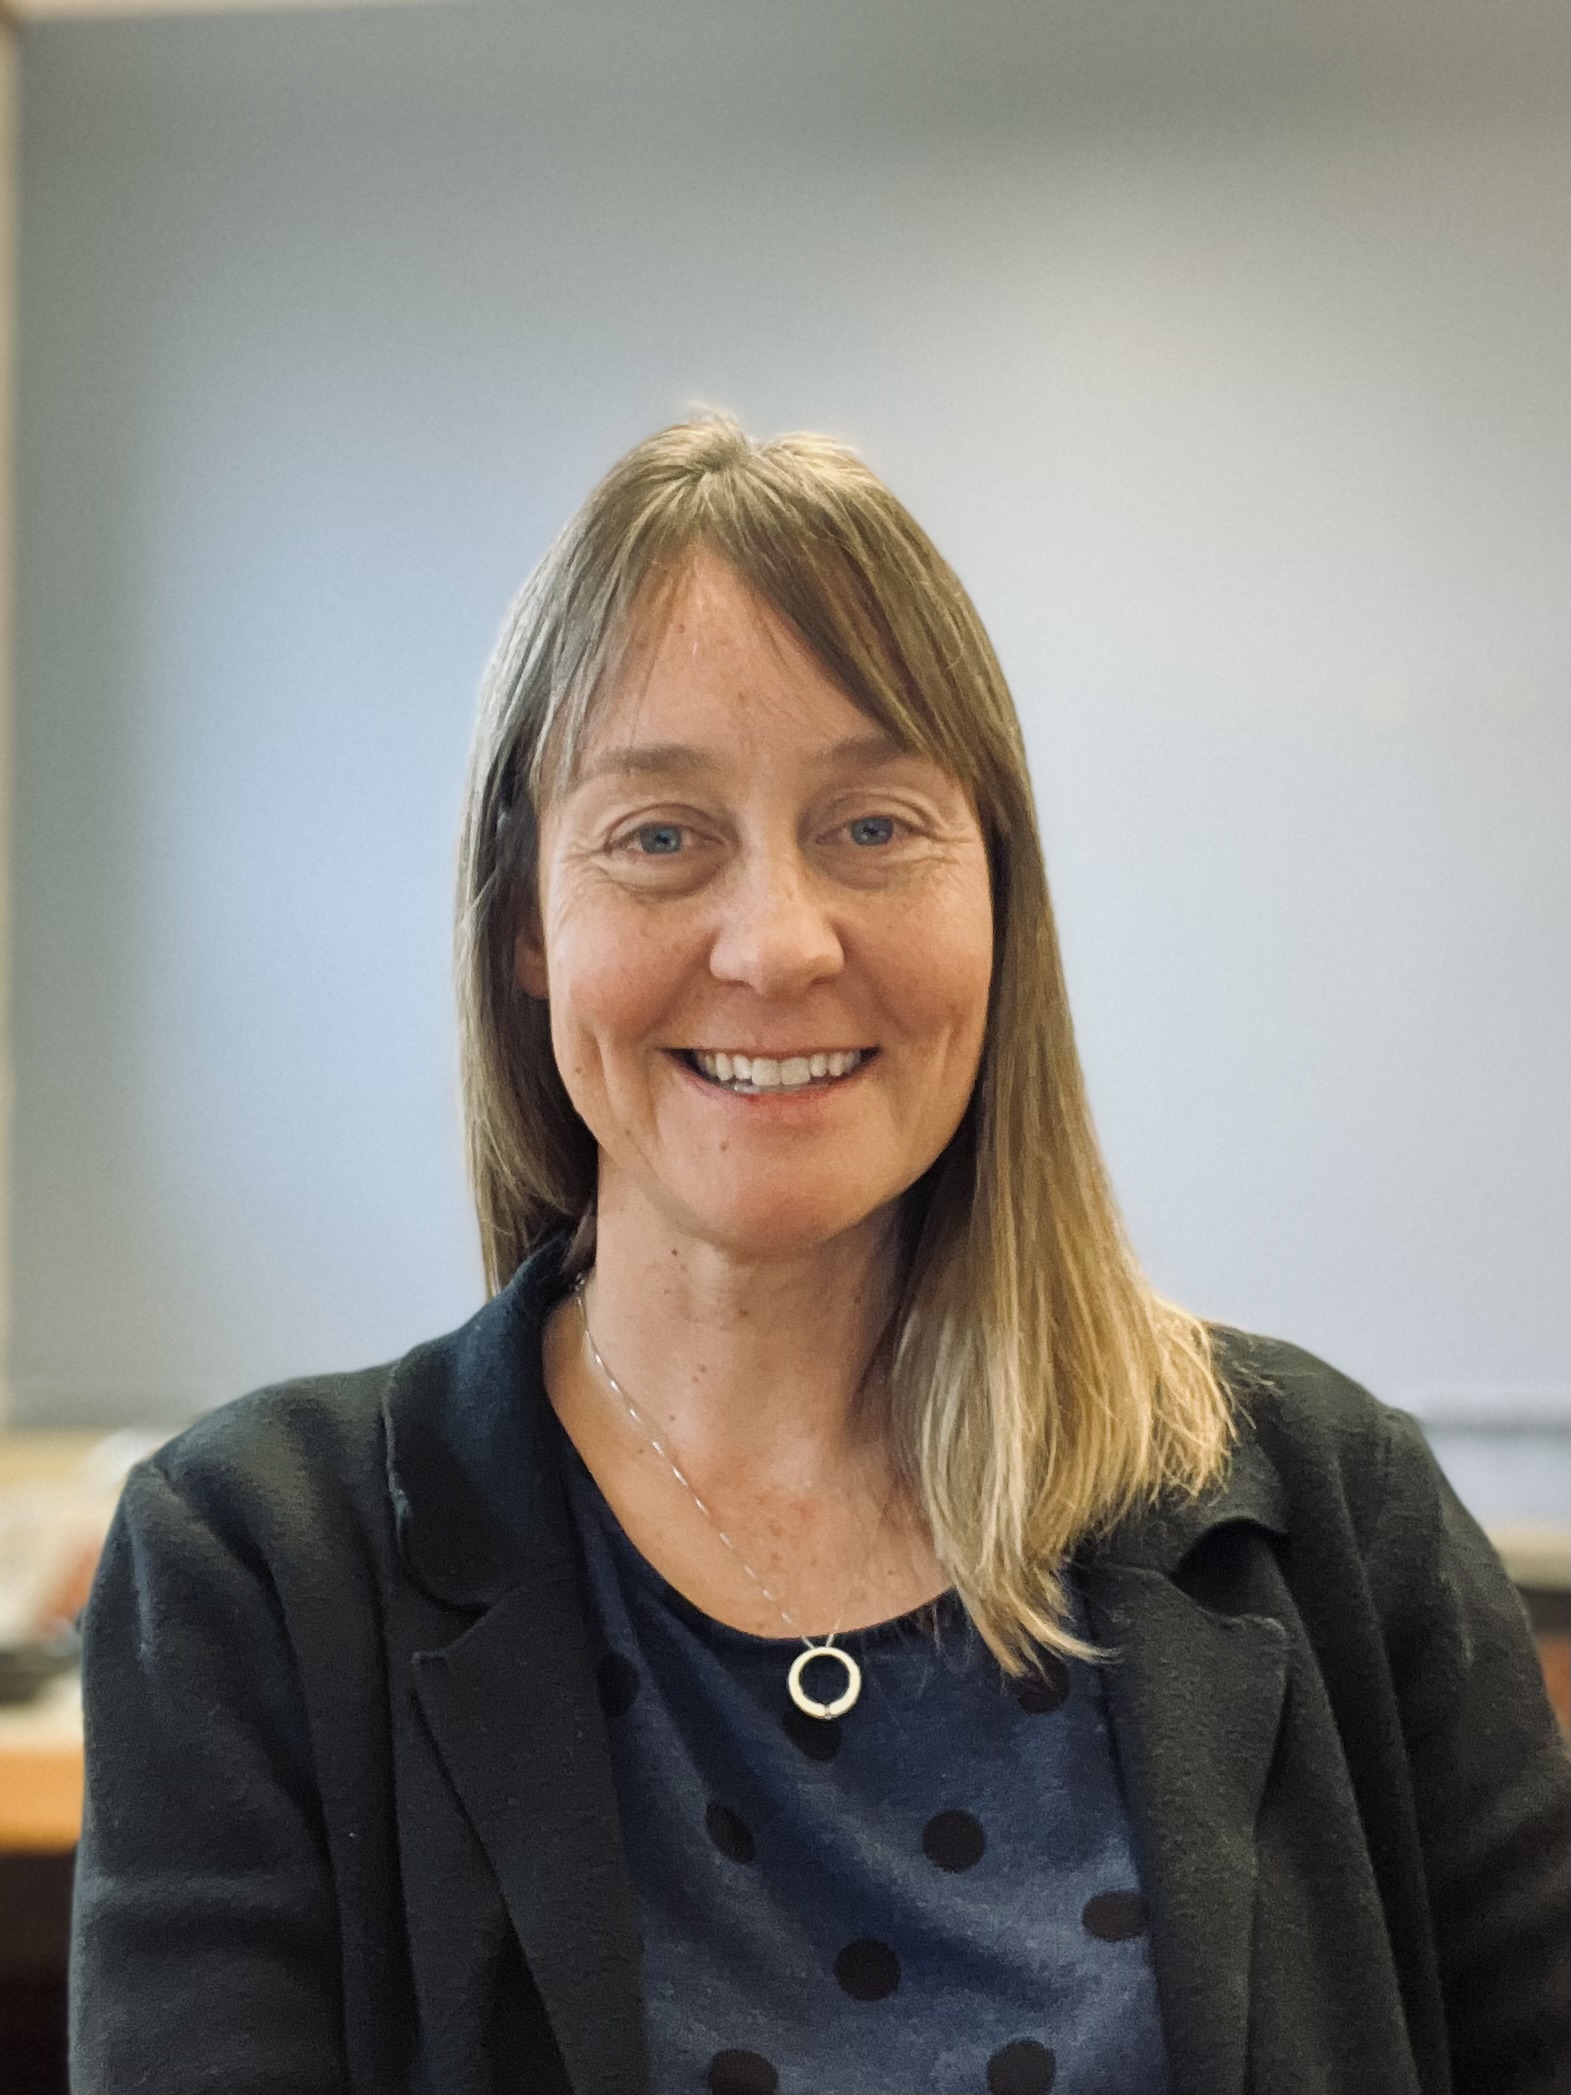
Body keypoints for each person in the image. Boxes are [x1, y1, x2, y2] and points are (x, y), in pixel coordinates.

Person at [70, 417, 1568, 2095]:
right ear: (522, 925)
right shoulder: (257, 1574)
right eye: (660, 835)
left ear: (999, 901)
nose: (776, 941)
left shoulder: (1334, 1516)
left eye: (873, 827)